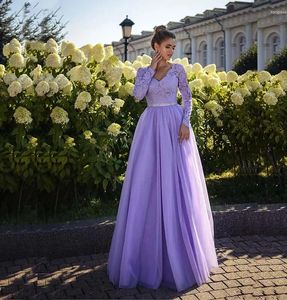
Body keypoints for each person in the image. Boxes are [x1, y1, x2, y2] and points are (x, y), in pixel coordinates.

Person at [107, 25, 219, 292]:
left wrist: (185, 123)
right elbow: (137, 96)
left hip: (173, 125)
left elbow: (188, 99)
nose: (171, 51)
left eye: (173, 47)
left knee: (176, 184)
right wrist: (150, 70)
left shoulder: (179, 69)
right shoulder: (143, 72)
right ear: (156, 46)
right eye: (167, 46)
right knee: (148, 183)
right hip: (150, 128)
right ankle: (145, 258)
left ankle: (181, 257)